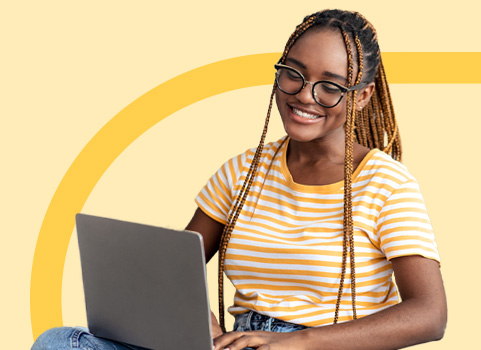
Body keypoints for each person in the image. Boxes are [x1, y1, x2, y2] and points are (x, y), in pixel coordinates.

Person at [32, 9, 447, 350]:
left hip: (325, 345)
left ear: (361, 95)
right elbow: (176, 272)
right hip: (239, 344)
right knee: (59, 343)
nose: (305, 95)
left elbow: (430, 315)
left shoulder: (386, 184)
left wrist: (301, 342)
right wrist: (209, 332)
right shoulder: (243, 171)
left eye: (330, 87)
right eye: (294, 75)